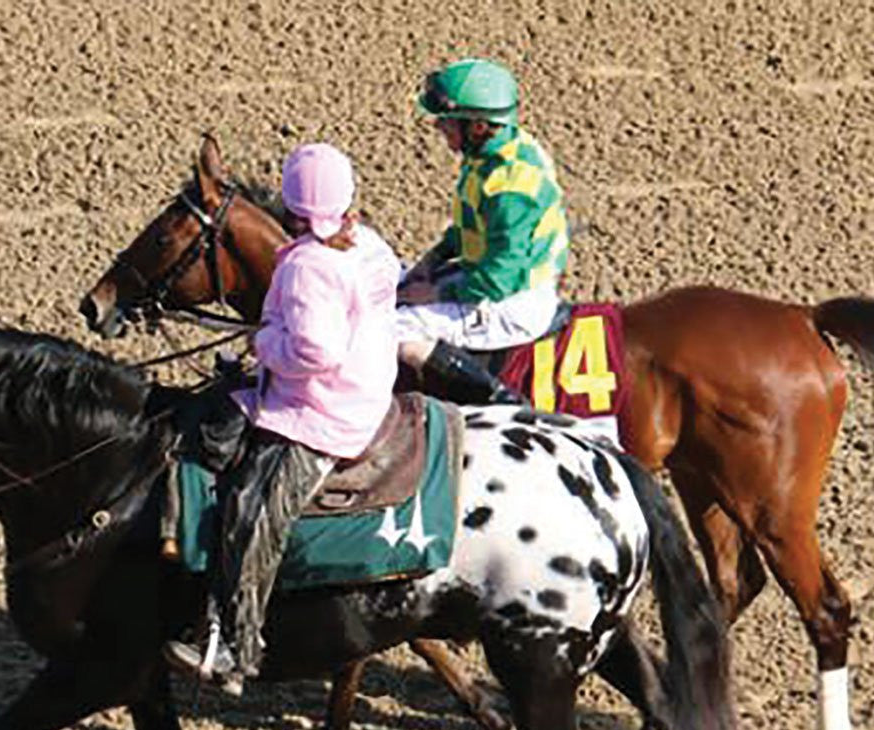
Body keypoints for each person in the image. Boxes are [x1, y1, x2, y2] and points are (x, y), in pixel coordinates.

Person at [164, 143, 400, 684]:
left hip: (325, 411)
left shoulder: (308, 266)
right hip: (364, 386)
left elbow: (316, 354)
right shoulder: (366, 241)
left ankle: (235, 646)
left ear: (291, 210)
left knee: (249, 506)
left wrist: (263, 343)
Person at [396, 57, 570, 405]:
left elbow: (498, 278)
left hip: (511, 301)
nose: (438, 128)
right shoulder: (493, 152)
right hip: (487, 275)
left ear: (477, 126)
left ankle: (500, 399)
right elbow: (470, 228)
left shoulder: (509, 185)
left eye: (446, 121)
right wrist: (431, 261)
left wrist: (434, 295)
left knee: (394, 330)